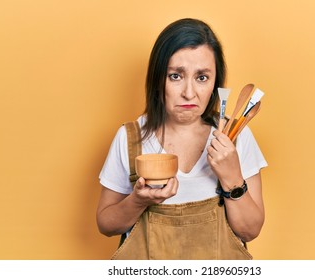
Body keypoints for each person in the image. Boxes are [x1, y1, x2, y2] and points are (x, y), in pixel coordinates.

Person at [96, 18, 268, 260]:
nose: (189, 92)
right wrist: (137, 201)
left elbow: (250, 231)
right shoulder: (130, 138)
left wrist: (232, 178)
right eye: (176, 76)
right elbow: (106, 224)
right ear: (158, 80)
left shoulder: (236, 138)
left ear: (214, 83)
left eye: (202, 78)